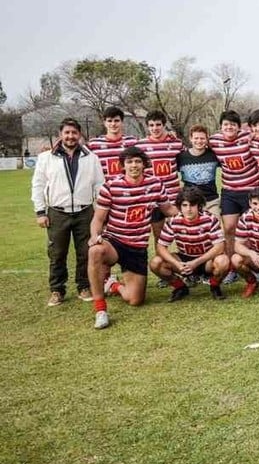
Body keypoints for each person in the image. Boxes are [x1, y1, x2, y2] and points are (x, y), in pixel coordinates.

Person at [87, 146, 177, 329]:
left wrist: (191, 215)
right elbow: (98, 219)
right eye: (129, 162)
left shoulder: (155, 184)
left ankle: (113, 285)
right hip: (115, 241)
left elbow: (167, 209)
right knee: (95, 251)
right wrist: (94, 236)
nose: (134, 165)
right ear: (122, 165)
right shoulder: (111, 186)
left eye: (138, 161)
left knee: (135, 299)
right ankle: (100, 310)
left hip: (137, 247)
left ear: (144, 164)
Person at [31, 118, 104, 306]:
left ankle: (83, 286)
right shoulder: (46, 158)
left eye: (74, 133)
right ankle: (57, 290)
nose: (70, 136)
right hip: (57, 211)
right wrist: (40, 212)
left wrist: (100, 212)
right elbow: (38, 185)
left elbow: (99, 185)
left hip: (84, 211)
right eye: (67, 133)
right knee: (57, 253)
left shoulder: (91, 157)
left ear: (79, 134)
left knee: (85, 252)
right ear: (60, 134)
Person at [149, 186, 230, 302]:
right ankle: (180, 287)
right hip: (184, 259)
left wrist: (196, 262)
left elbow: (220, 246)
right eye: (184, 205)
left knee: (223, 261)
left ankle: (215, 286)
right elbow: (161, 247)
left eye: (192, 205)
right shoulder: (173, 221)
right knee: (155, 263)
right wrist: (176, 263)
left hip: (205, 260)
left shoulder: (210, 219)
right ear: (180, 206)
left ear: (199, 206)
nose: (188, 209)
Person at [209, 110, 259, 283]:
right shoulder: (214, 141)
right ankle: (231, 267)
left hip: (250, 190)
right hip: (229, 191)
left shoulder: (247, 137)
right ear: (221, 127)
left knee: (250, 229)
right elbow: (198, 144)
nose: (229, 127)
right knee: (229, 228)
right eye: (226, 125)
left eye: (233, 125)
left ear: (239, 127)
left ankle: (254, 265)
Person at [136, 110, 184, 245]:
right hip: (154, 198)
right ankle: (162, 265)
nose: (155, 128)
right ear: (147, 126)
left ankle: (184, 263)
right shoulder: (141, 146)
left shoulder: (176, 144)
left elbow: (183, 165)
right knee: (159, 238)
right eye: (151, 125)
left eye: (158, 125)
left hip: (174, 198)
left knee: (183, 235)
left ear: (164, 125)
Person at [177, 124, 221, 217]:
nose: (199, 141)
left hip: (211, 200)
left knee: (215, 227)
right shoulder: (181, 157)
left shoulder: (213, 155)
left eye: (202, 138)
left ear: (207, 139)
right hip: (191, 202)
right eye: (196, 138)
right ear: (190, 138)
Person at [87, 106, 137, 178]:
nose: (113, 124)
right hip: (104, 187)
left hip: (128, 188)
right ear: (104, 123)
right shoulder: (93, 145)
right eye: (109, 121)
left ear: (122, 122)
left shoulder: (132, 142)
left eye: (116, 120)